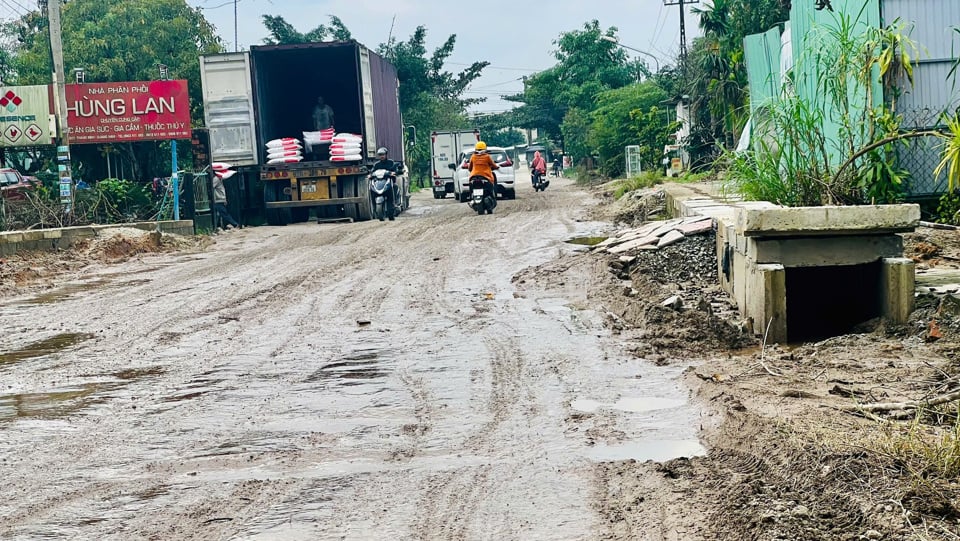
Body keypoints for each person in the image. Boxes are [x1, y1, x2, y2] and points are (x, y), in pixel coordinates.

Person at [371, 147, 398, 220]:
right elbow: (372, 171)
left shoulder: (391, 162)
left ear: (386, 155)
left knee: (395, 186)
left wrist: (394, 172)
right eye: (380, 155)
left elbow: (395, 169)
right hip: (380, 182)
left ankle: (395, 202)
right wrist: (370, 174)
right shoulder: (376, 165)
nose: (382, 156)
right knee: (372, 190)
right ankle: (374, 207)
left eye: (383, 154)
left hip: (389, 181)